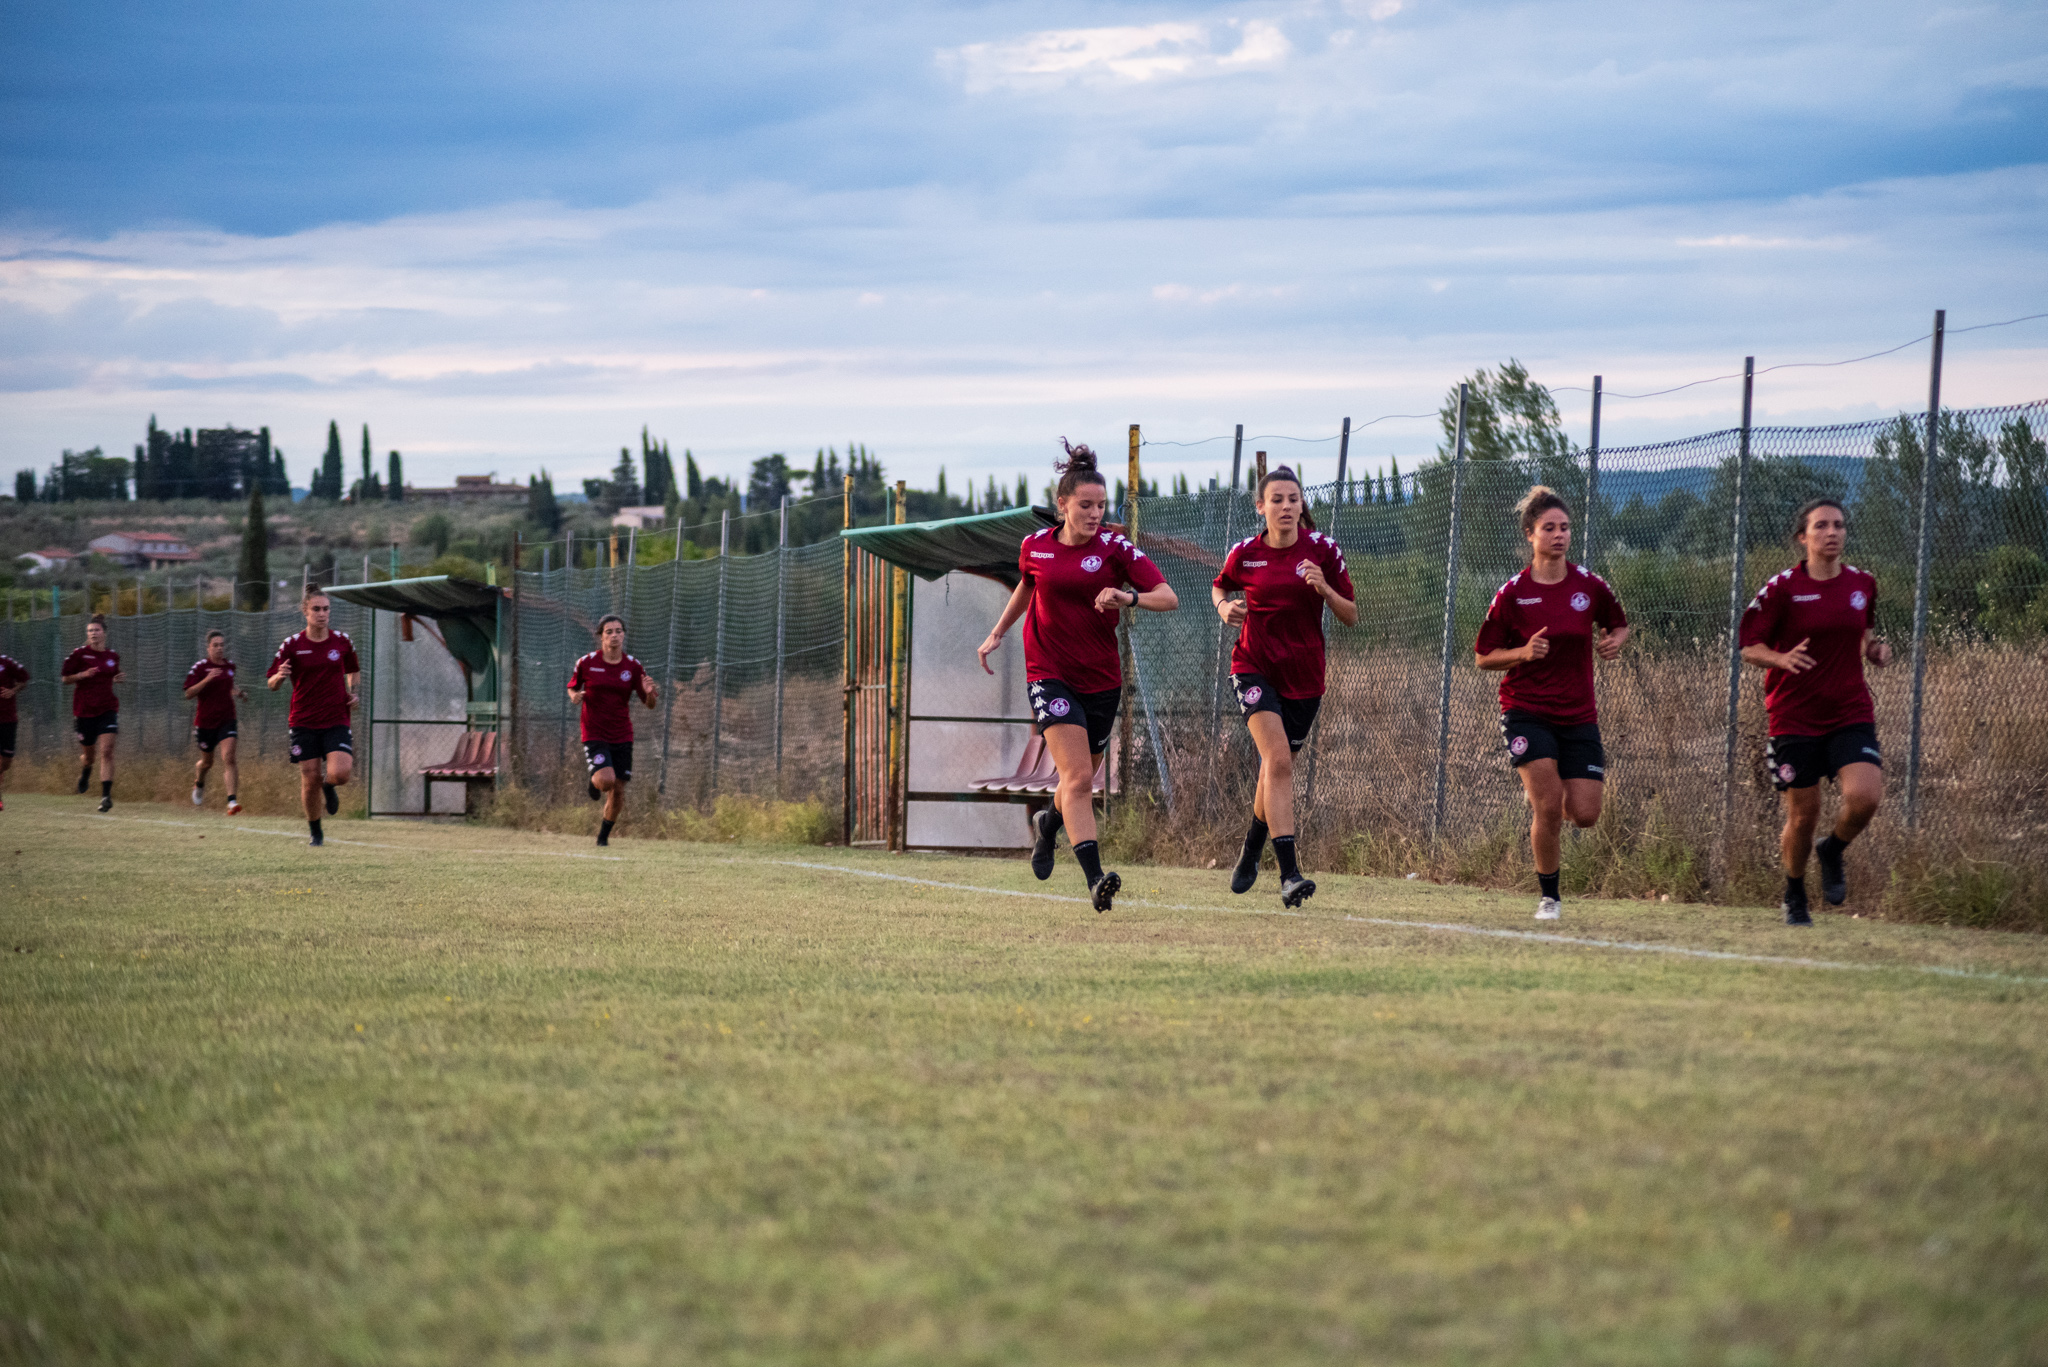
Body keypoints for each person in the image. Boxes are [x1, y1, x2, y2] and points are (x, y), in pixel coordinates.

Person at [977, 440, 1179, 911]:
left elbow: (1168, 597)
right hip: (1049, 673)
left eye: (1101, 505)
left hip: (1102, 680)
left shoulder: (1115, 548)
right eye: (1085, 505)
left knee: (1075, 784)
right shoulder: (1035, 547)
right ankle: (1094, 878)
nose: (1094, 514)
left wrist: (1128, 598)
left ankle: (1048, 824)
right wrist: (997, 632)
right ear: (1062, 504)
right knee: (1080, 778)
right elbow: (1027, 588)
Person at [1473, 486, 1630, 920]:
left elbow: (1618, 625)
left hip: (1579, 715)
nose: (1559, 535)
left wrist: (1612, 642)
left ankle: (1545, 797)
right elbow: (1483, 657)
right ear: (1530, 534)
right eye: (1549, 528)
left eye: (1564, 527)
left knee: (1584, 814)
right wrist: (1522, 653)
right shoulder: (1513, 593)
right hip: (1526, 711)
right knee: (1547, 806)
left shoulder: (1589, 586)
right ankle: (1550, 898)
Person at [1210, 464, 1357, 906]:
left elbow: (1351, 614)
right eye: (1277, 499)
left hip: (1305, 679)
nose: (1287, 506)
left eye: (1293, 499)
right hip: (1252, 667)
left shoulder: (1324, 551)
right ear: (1261, 507)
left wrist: (1325, 589)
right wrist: (1223, 608)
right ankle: (1290, 875)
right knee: (1277, 761)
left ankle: (1253, 845)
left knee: (1275, 771)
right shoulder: (1246, 554)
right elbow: (1219, 586)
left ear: (1300, 505)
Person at [1739, 499, 1889, 925]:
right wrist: (1781, 659)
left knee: (1865, 797)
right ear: (1802, 537)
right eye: (1821, 526)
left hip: (1849, 710)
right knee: (1804, 816)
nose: (1832, 533)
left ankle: (1834, 849)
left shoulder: (1862, 584)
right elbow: (1750, 647)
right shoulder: (1782, 588)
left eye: (1839, 525)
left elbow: (1862, 635)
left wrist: (1874, 650)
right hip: (1794, 717)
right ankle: (1793, 891)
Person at [268, 589, 360, 846]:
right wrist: (280, 676)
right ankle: (316, 833)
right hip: (303, 721)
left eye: (326, 609)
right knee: (309, 780)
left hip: (336, 718)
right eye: (316, 609)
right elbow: (271, 683)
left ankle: (329, 787)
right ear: (305, 612)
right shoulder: (292, 645)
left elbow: (353, 670)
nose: (322, 614)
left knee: (340, 774)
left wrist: (354, 693)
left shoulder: (341, 641)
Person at [567, 614, 658, 847]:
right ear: (600, 636)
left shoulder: (633, 667)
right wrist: (575, 696)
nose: (614, 635)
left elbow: (650, 704)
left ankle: (603, 838)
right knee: (606, 780)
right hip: (594, 732)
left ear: (624, 634)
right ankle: (595, 778)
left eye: (619, 631)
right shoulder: (587, 662)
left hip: (622, 734)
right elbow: (573, 687)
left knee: (618, 790)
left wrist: (649, 693)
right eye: (609, 632)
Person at [61, 614, 125, 813]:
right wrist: (81, 675)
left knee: (107, 751)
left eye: (96, 630)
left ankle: (106, 796)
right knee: (89, 756)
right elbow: (65, 679)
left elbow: (113, 673)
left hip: (107, 709)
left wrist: (118, 678)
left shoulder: (112, 656)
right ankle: (86, 770)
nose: (93, 634)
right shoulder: (79, 655)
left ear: (104, 633)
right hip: (84, 711)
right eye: (90, 631)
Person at [185, 629, 247, 815]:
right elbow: (188, 693)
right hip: (205, 723)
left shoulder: (229, 667)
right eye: (216, 645)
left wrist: (239, 692)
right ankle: (199, 783)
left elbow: (228, 685)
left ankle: (232, 801)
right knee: (207, 763)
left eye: (222, 645)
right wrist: (207, 679)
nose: (220, 648)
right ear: (208, 647)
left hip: (227, 719)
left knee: (229, 757)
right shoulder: (200, 668)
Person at [0, 650, 27, 813]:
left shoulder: (6, 662)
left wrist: (12, 691)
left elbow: (24, 680)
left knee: (6, 762)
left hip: (8, 719)